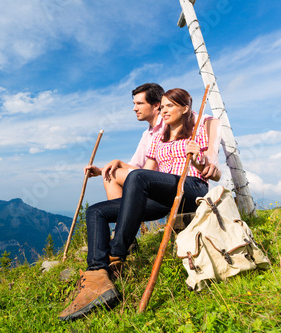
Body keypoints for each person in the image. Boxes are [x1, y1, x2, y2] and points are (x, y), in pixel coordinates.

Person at [59, 88, 221, 321]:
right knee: (96, 211)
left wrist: (199, 160)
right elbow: (146, 174)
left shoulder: (202, 125)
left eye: (169, 106)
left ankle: (117, 254)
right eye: (162, 106)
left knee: (137, 178)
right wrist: (106, 168)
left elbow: (213, 172)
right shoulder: (159, 136)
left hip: (191, 187)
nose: (164, 111)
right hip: (164, 194)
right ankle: (97, 275)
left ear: (185, 108)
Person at [86, 83, 221, 200]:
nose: (134, 108)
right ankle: (120, 222)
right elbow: (138, 169)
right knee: (110, 175)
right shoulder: (148, 135)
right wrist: (101, 170)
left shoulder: (173, 120)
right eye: (134, 104)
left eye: (139, 103)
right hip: (153, 179)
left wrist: (212, 153)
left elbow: (212, 121)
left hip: (180, 182)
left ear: (156, 106)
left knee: (128, 177)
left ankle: (125, 222)